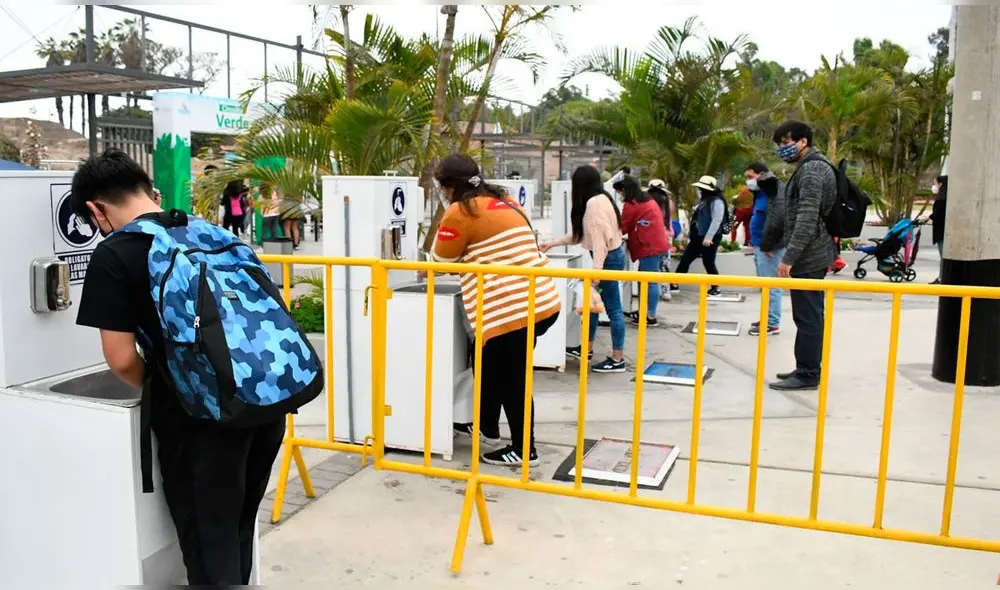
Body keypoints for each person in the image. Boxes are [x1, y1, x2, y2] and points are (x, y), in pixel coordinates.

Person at [71, 149, 290, 584]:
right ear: (149, 191)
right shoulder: (206, 231)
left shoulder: (116, 253)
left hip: (201, 419)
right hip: (263, 400)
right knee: (238, 527)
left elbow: (120, 360)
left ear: (97, 209)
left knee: (208, 543)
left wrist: (168, 385)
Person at [432, 154, 560, 466]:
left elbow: (441, 260)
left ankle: (524, 449)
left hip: (511, 309)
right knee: (486, 361)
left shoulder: (460, 212)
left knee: (510, 379)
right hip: (541, 299)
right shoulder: (503, 200)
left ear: (448, 186)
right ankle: (486, 425)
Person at [769, 121, 839, 391]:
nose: (783, 149)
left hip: (810, 256)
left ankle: (809, 373)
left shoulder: (812, 170)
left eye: (786, 143)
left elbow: (807, 218)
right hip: (811, 253)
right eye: (780, 144)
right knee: (807, 316)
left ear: (803, 142)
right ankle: (805, 367)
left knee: (808, 317)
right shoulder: (811, 167)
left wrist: (790, 257)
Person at [541, 165, 627, 373]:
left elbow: (599, 243)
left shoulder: (594, 205)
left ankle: (617, 359)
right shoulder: (601, 198)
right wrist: (552, 243)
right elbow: (580, 235)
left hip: (606, 260)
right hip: (611, 256)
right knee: (593, 306)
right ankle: (586, 348)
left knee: (613, 309)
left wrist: (596, 271)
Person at [616, 177, 670, 326]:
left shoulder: (632, 204)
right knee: (646, 279)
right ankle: (644, 312)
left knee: (650, 281)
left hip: (648, 247)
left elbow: (623, 227)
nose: (619, 195)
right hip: (658, 245)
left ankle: (650, 316)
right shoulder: (647, 200)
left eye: (620, 192)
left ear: (625, 190)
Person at [745, 161, 786, 336]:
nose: (748, 181)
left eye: (750, 177)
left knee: (772, 286)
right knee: (765, 286)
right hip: (761, 246)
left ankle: (772, 324)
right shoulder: (761, 192)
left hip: (770, 248)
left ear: (761, 174)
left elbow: (778, 219)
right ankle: (767, 318)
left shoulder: (773, 190)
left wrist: (770, 243)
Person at [672, 175, 726, 297]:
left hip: (709, 237)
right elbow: (696, 219)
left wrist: (709, 236)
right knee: (686, 258)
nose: (699, 190)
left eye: (701, 188)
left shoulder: (716, 201)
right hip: (697, 236)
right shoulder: (704, 200)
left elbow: (717, 220)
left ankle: (715, 288)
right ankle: (674, 282)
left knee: (708, 262)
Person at [646, 178, 675, 301]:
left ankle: (653, 291)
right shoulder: (668, 202)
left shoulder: (647, 203)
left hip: (652, 237)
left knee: (652, 267)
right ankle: (665, 291)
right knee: (665, 265)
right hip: (666, 236)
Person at [930, 175, 948, 284]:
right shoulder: (947, 197)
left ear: (941, 184)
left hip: (941, 231)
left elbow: (937, 214)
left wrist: (929, 217)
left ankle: (942, 278)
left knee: (943, 256)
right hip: (943, 230)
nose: (935, 186)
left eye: (936, 183)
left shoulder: (941, 199)